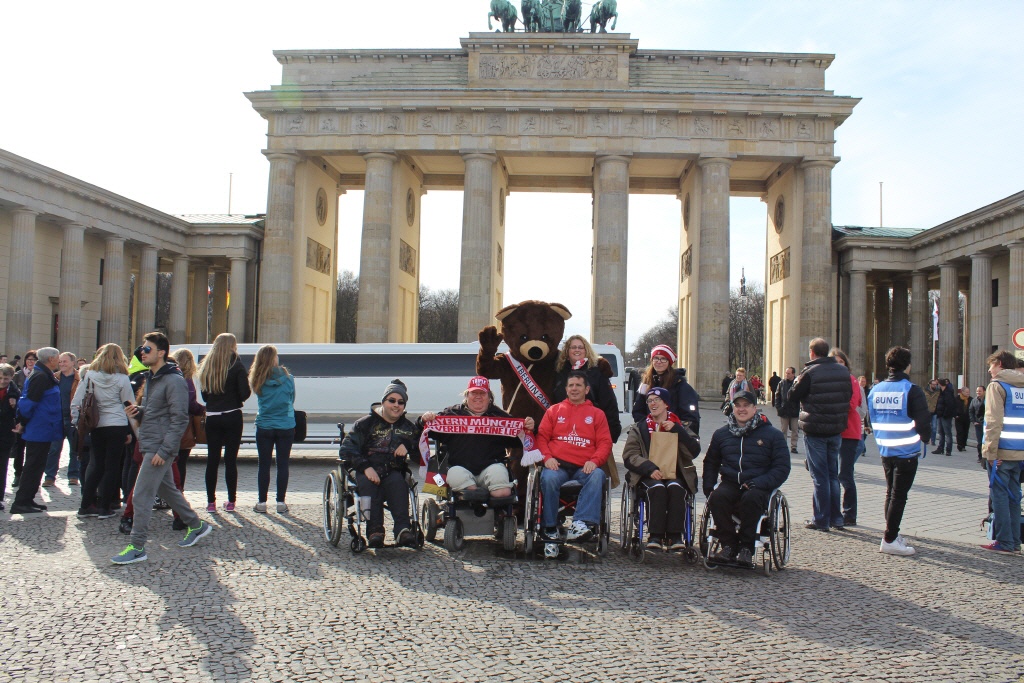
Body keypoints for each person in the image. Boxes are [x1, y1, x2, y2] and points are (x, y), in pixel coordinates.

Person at [112, 332, 212, 564]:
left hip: (159, 447)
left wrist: (164, 451)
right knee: (168, 491)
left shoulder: (174, 381)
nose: (142, 353)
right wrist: (139, 411)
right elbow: (155, 412)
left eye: (147, 349)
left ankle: (137, 547)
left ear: (161, 353)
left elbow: (179, 419)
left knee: (141, 495)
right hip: (150, 442)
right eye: (142, 349)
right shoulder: (153, 377)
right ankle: (196, 525)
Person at [703, 390, 791, 568]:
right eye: (738, 406)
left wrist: (761, 482)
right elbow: (711, 462)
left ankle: (746, 548)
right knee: (717, 497)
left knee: (750, 499)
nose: (741, 409)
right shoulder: (721, 434)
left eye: (746, 406)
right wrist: (708, 486)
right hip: (731, 482)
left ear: (755, 408)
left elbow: (782, 467)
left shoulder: (772, 435)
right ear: (732, 408)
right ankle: (728, 545)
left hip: (758, 484)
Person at [537, 371, 613, 558]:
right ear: (566, 389)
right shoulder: (553, 411)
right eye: (571, 385)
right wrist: (547, 457)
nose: (574, 389)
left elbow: (605, 443)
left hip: (583, 466)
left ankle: (580, 524)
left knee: (598, 476)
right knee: (547, 478)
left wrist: (594, 461)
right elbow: (541, 438)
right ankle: (550, 527)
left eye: (578, 385)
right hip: (558, 465)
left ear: (586, 389)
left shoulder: (597, 414)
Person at [420, 376, 531, 501]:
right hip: (459, 467)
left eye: (482, 393)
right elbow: (427, 432)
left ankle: (497, 515)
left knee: (502, 492)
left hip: (491, 466)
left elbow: (518, 441)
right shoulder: (451, 414)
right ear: (467, 395)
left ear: (489, 397)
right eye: (474, 393)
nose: (478, 396)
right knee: (470, 493)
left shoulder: (500, 417)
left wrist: (529, 428)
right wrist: (423, 420)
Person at [339, 379, 420, 548]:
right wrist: (366, 468)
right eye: (392, 400)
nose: (396, 405)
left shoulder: (408, 428)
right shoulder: (364, 424)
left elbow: (419, 453)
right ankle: (374, 530)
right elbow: (346, 450)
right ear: (383, 401)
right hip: (365, 468)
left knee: (399, 484)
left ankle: (402, 529)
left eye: (400, 402)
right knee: (369, 486)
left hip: (392, 470)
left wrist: (408, 445)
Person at [868, 346, 930, 557]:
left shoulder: (875, 390)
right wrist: (926, 439)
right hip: (907, 451)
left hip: (886, 449)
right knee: (899, 495)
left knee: (890, 492)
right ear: (908, 366)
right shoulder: (911, 390)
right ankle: (890, 538)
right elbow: (923, 423)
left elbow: (870, 419)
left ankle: (891, 533)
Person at [622, 386, 700, 550]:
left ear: (666, 404)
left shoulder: (681, 426)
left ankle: (675, 536)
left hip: (675, 473)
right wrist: (649, 468)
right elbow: (630, 455)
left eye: (657, 400)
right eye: (650, 401)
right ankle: (655, 535)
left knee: (676, 488)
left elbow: (694, 451)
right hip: (648, 475)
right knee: (657, 488)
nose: (653, 403)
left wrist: (678, 431)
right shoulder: (639, 428)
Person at [786, 337, 851, 532]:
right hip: (836, 429)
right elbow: (848, 396)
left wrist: (798, 384)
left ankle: (821, 519)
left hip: (815, 430)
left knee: (819, 476)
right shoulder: (843, 371)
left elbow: (792, 396)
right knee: (833, 475)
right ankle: (836, 518)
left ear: (812, 353)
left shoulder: (809, 372)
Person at [72, 343, 134, 519]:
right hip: (117, 424)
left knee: (96, 465)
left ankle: (85, 506)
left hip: (96, 424)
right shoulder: (122, 378)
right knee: (112, 467)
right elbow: (129, 404)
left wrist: (77, 422)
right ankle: (104, 507)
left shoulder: (90, 376)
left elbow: (77, 400)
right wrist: (130, 430)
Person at [198, 332, 251, 512]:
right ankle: (231, 501)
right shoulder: (236, 364)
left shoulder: (207, 365)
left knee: (212, 460)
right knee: (230, 460)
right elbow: (245, 392)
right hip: (232, 415)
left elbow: (204, 396)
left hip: (212, 416)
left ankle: (211, 502)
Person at [980, 350, 1023, 553]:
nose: (989, 370)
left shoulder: (997, 386)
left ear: (999, 364)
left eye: (991, 365)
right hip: (1020, 452)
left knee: (1000, 497)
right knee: (1015, 497)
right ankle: (1015, 541)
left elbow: (993, 422)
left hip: (1002, 453)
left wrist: (990, 452)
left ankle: (1004, 541)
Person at [11, 347, 63, 514]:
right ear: (51, 359)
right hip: (39, 427)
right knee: (33, 465)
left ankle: (28, 499)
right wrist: (22, 422)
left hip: (43, 426)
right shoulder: (41, 376)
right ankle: (21, 501)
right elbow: (28, 403)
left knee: (37, 465)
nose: (59, 361)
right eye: (58, 358)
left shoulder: (42, 374)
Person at [249, 345, 295, 513]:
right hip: (286, 425)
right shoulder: (288, 378)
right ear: (274, 358)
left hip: (264, 425)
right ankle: (281, 503)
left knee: (264, 464)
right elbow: (292, 399)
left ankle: (261, 502)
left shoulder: (257, 378)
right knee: (283, 464)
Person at [551, 335, 621, 442]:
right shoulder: (559, 371)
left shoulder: (597, 371)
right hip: (563, 430)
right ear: (567, 351)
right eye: (573, 347)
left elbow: (609, 403)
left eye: (580, 347)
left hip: (590, 430)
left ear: (586, 350)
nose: (577, 350)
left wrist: (611, 433)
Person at [829, 348, 865, 526]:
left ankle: (850, 513)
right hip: (832, 431)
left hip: (849, 432)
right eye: (834, 362)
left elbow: (851, 405)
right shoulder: (828, 380)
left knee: (845, 474)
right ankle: (834, 512)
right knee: (831, 475)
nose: (838, 365)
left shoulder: (851, 381)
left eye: (841, 362)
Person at [630, 345, 701, 432]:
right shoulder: (646, 383)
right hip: (649, 432)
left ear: (670, 362)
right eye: (656, 358)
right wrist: (647, 425)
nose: (659, 362)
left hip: (672, 433)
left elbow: (690, 416)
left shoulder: (680, 385)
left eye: (663, 359)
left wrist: (674, 427)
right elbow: (638, 410)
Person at [170, 348, 205, 493]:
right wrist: (202, 409)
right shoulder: (187, 380)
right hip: (183, 425)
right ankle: (178, 491)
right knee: (181, 462)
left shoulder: (169, 376)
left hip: (167, 423)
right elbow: (189, 403)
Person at [43, 351, 80, 487]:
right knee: (54, 449)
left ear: (72, 362)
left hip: (73, 418)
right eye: (60, 362)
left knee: (75, 449)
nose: (62, 364)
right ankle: (50, 476)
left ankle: (74, 475)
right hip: (57, 418)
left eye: (64, 361)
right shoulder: (54, 377)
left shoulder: (79, 378)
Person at [9, 349, 37, 489]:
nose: (31, 362)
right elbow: (11, 390)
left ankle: (29, 475)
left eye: (34, 359)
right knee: (19, 447)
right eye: (29, 359)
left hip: (34, 417)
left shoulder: (39, 376)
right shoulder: (18, 375)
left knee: (32, 448)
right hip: (19, 416)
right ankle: (18, 474)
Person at [0, 364, 19, 510]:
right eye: (0, 378)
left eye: (5, 378)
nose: (2, 381)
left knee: (2, 467)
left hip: (5, 435)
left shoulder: (14, 392)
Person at [774, 367, 800, 454]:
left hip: (794, 410)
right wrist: (778, 408)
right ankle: (783, 446)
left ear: (793, 374)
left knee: (795, 429)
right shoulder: (781, 383)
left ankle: (794, 446)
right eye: (786, 373)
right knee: (783, 430)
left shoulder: (797, 383)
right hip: (784, 410)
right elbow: (777, 396)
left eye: (789, 373)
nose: (787, 375)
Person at [933, 378, 957, 456]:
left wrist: (945, 414)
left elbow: (949, 404)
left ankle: (948, 450)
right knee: (941, 432)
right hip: (940, 414)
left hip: (946, 415)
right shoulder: (940, 392)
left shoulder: (948, 392)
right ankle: (940, 448)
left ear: (940, 384)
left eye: (937, 384)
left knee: (947, 433)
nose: (936, 385)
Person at [968, 385, 985, 463]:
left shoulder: (988, 400)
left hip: (986, 423)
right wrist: (973, 421)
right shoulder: (974, 400)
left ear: (984, 391)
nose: (978, 392)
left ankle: (986, 457)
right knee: (980, 441)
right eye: (977, 391)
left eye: (980, 391)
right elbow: (971, 411)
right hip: (978, 423)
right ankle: (980, 456)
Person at [924, 378, 940, 446]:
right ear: (930, 384)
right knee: (927, 426)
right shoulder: (925, 391)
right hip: (927, 411)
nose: (934, 386)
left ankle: (933, 441)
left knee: (934, 427)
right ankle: (926, 439)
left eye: (935, 384)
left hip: (935, 411)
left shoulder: (938, 391)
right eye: (933, 384)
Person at [955, 386, 971, 452]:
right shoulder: (957, 398)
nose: (968, 393)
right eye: (966, 392)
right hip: (959, 418)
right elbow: (954, 407)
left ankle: (964, 445)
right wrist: (955, 415)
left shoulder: (970, 399)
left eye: (968, 392)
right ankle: (959, 445)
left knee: (965, 432)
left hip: (967, 418)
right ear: (962, 392)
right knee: (959, 432)